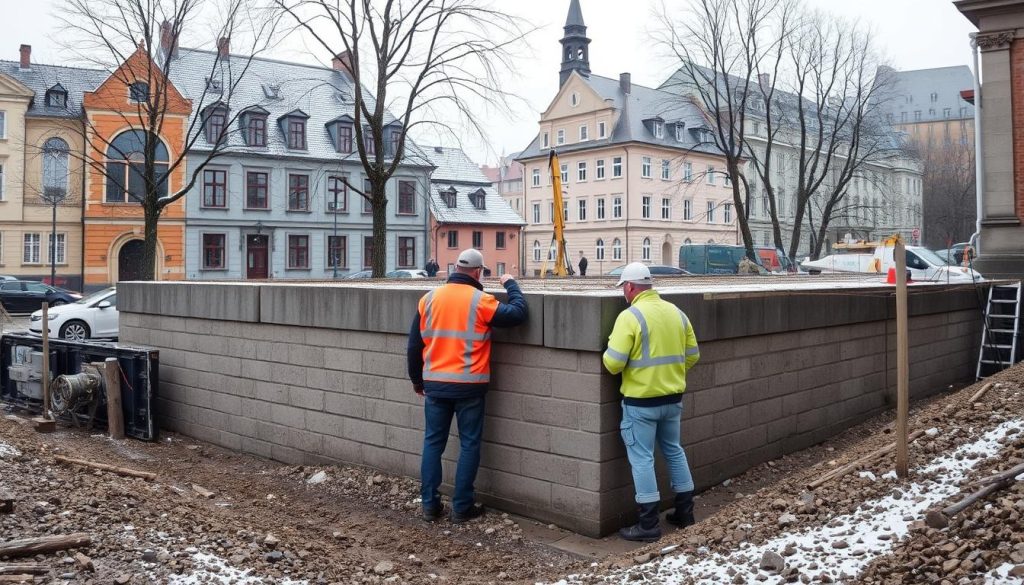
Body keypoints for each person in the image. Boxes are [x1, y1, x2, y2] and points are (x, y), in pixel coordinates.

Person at [407, 249, 528, 523]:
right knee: (469, 444)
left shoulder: (428, 299)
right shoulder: (480, 300)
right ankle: (462, 507)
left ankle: (429, 505)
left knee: (432, 443)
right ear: (476, 272)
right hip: (469, 387)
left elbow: (414, 345)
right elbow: (518, 313)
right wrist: (510, 284)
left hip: (435, 384)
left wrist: (417, 380)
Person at [603, 262, 701, 542]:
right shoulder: (677, 313)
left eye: (624, 288)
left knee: (642, 459)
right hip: (673, 399)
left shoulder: (630, 316)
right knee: (674, 451)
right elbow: (693, 355)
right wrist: (669, 375)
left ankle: (648, 526)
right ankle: (685, 513)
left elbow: (613, 363)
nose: (624, 293)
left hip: (641, 403)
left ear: (631, 287)